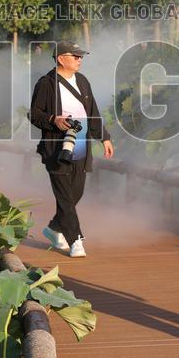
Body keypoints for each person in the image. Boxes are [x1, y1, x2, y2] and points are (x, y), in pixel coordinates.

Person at [29, 41, 114, 258]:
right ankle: (75, 239)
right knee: (65, 195)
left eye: (81, 56)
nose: (79, 60)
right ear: (60, 58)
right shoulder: (46, 83)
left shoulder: (83, 82)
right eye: (75, 56)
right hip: (56, 145)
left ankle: (54, 228)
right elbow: (34, 114)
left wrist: (104, 137)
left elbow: (92, 111)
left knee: (76, 192)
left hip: (81, 144)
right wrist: (52, 119)